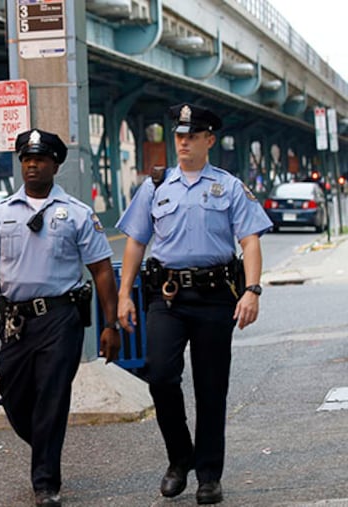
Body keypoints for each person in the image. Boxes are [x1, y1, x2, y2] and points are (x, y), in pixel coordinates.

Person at [116, 103, 273, 505]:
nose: (183, 142)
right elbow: (136, 241)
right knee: (160, 376)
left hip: (215, 298)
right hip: (166, 297)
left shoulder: (229, 186)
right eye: (179, 135)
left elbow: (250, 240)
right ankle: (178, 458)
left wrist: (252, 291)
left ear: (209, 140)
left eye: (192, 135)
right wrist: (123, 294)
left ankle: (208, 475)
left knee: (210, 388)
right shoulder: (155, 186)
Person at [0, 128, 121, 507]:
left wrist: (110, 325)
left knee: (52, 396)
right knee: (14, 396)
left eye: (39, 159)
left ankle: (46, 483)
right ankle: (46, 443)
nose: (32, 165)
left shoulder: (78, 214)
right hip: (15, 322)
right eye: (26, 159)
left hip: (61, 318)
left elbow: (101, 270)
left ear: (55, 164)